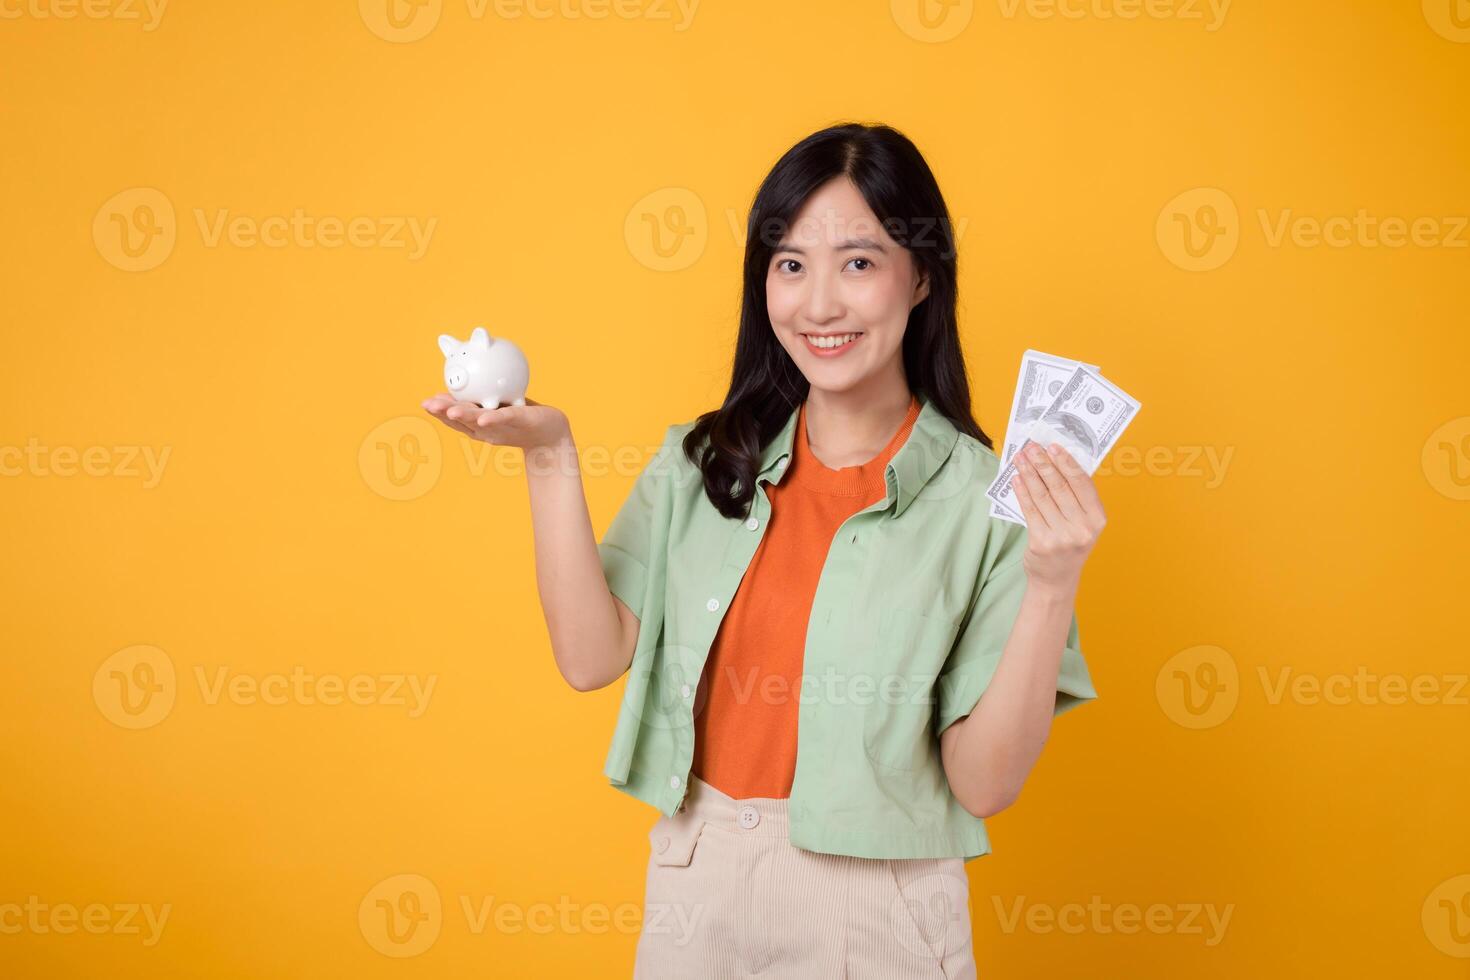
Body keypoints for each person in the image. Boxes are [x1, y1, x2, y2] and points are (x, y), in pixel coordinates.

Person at [422, 122, 1103, 979]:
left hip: (878, 912)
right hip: (695, 882)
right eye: (790, 263)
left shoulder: (989, 504)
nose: (818, 304)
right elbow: (590, 659)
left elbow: (984, 785)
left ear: (922, 275)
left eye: (858, 261)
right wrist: (551, 456)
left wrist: (1051, 582)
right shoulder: (703, 463)